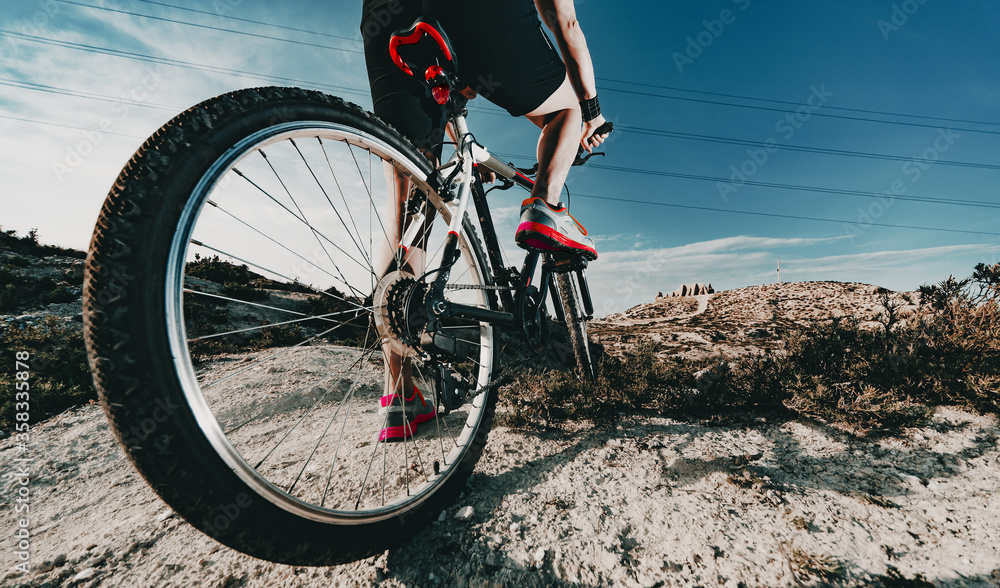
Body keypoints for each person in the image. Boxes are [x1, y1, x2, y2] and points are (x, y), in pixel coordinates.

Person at [361, 0, 610, 441]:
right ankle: (545, 207)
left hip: (387, 15)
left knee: (408, 198)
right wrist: (592, 111)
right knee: (565, 112)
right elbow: (564, 19)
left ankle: (399, 396)